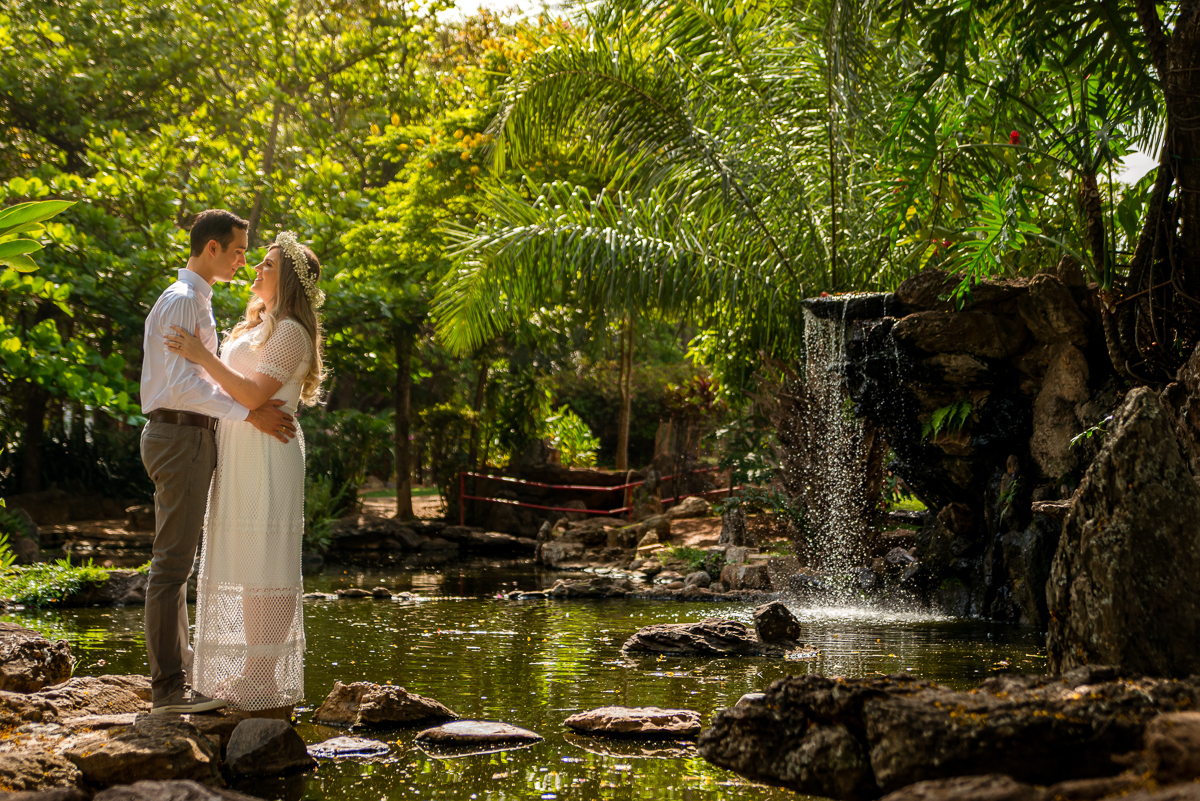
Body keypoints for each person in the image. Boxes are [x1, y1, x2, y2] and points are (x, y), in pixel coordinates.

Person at [140, 209, 296, 716]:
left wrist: (240, 411)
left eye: (252, 256)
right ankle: (169, 690)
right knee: (172, 566)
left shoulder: (194, 301)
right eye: (238, 251)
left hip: (188, 437)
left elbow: (202, 377)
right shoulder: (186, 302)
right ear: (212, 248)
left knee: (176, 564)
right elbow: (186, 385)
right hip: (180, 435)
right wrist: (247, 415)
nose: (243, 262)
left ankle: (180, 678)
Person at [166, 230, 324, 711]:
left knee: (264, 566)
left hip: (267, 453)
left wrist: (200, 355)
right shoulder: (254, 327)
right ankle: (248, 672)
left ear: (290, 281)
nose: (256, 269)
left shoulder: (292, 331)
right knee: (243, 564)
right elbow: (239, 397)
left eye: (268, 265)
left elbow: (255, 396)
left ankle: (261, 675)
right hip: (238, 450)